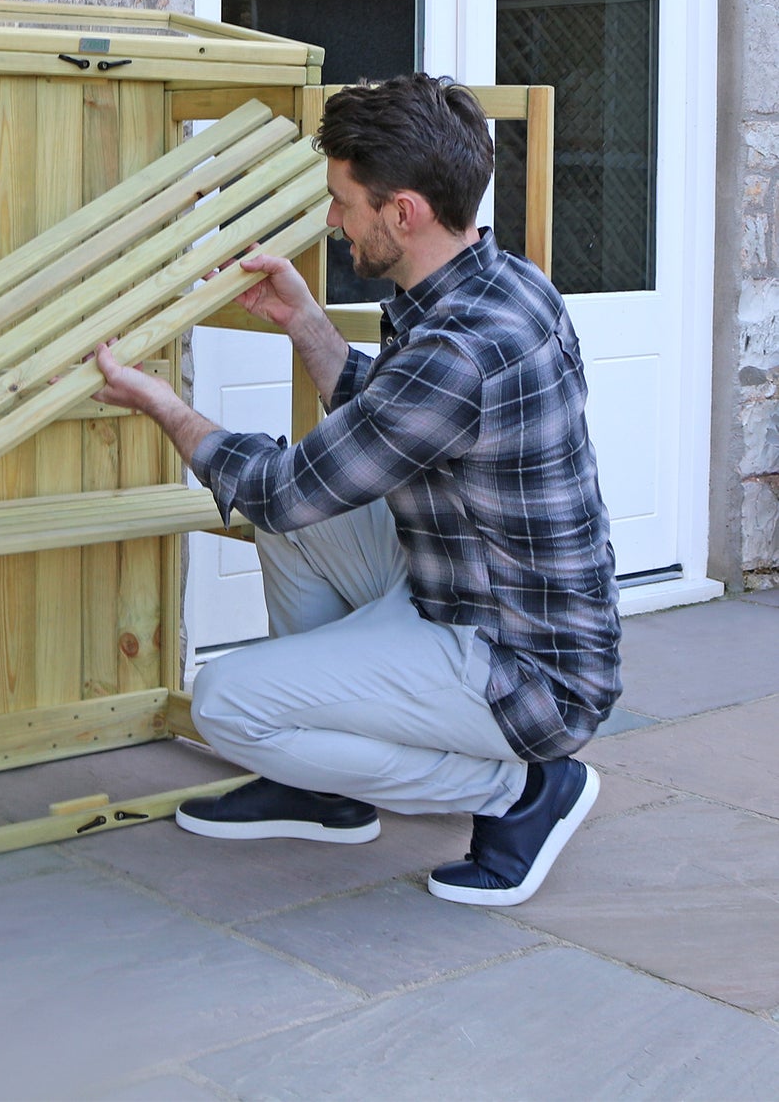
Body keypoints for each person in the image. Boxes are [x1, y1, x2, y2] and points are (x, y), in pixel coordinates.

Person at [93, 74, 620, 906]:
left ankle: (520, 792)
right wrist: (306, 319)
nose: (332, 220)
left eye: (343, 201)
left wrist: (160, 403)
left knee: (228, 704)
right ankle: (323, 787)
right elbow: (394, 421)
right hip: (465, 589)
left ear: (401, 211)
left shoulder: (459, 348)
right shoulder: (497, 281)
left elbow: (275, 489)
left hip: (521, 674)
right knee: (300, 526)